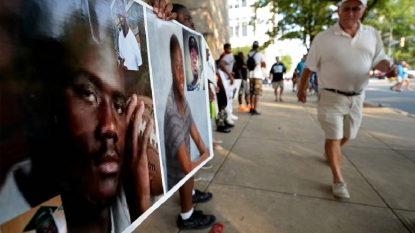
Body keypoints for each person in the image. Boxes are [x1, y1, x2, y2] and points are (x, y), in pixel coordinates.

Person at [0, 0, 176, 232]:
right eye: (88, 94)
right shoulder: (20, 217)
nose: (110, 126)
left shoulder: (125, 187)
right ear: (42, 98)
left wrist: (141, 205)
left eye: (119, 105)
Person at [297, 0, 397, 199]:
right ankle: (338, 179)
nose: (350, 13)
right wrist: (302, 88)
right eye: (346, 8)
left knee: (348, 135)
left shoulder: (372, 34)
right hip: (330, 96)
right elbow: (309, 66)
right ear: (338, 10)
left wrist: (389, 68)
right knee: (333, 137)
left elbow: (379, 59)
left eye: (356, 9)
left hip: (357, 97)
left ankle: (330, 152)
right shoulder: (323, 38)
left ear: (363, 10)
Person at [164, 34, 215, 230]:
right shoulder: (172, 114)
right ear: (169, 67)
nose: (181, 74)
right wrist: (205, 154)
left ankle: (190, 194)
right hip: (177, 177)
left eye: (182, 67)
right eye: (176, 66)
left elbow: (195, 133)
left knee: (191, 170)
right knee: (189, 171)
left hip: (184, 173)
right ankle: (186, 216)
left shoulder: (181, 100)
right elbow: (187, 167)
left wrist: (204, 149)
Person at [117, 1, 143, 71]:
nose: (119, 12)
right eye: (118, 8)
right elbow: (122, 57)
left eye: (121, 7)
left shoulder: (132, 38)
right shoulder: (120, 36)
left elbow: (140, 63)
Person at [219, 44, 238, 124]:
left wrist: (229, 73)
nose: (230, 49)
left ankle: (229, 114)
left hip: (224, 78)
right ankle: (227, 116)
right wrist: (230, 75)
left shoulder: (225, 56)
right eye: (229, 48)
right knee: (227, 98)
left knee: (228, 98)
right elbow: (222, 65)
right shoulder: (229, 56)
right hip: (224, 79)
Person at [247, 41, 266, 115]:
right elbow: (264, 64)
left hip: (250, 75)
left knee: (251, 93)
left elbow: (247, 65)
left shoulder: (248, 54)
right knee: (257, 93)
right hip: (258, 75)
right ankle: (254, 109)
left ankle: (251, 108)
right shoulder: (260, 54)